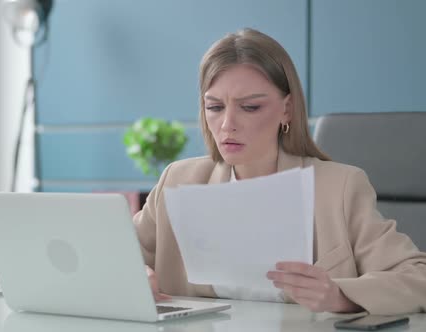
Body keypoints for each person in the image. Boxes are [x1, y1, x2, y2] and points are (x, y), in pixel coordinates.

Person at [133, 28, 426, 315]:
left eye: (250, 107)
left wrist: (342, 296)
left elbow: (418, 278)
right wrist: (135, 274)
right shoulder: (178, 180)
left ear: (287, 109)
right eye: (215, 107)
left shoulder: (340, 187)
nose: (227, 124)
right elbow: (112, 254)